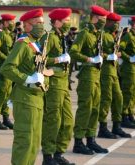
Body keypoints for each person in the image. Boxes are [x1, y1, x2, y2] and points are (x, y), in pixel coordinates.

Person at [1, 8, 47, 165]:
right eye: (37, 23)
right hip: (25, 98)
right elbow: (6, 68)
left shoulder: (36, 44)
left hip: (37, 98)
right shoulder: (22, 44)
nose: (41, 26)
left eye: (42, 23)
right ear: (27, 26)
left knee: (34, 142)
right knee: (25, 140)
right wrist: (27, 79)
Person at [70, 5, 109, 155]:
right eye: (103, 19)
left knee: (95, 109)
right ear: (95, 18)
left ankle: (91, 139)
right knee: (85, 109)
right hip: (87, 75)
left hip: (96, 75)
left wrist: (103, 57)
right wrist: (89, 59)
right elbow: (74, 52)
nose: (104, 22)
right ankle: (79, 142)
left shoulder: (97, 34)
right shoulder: (85, 34)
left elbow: (100, 53)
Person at [40, 8, 75, 165]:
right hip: (53, 83)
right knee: (53, 120)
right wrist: (58, 59)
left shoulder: (61, 37)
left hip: (63, 83)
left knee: (67, 121)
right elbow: (39, 60)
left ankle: (59, 153)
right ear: (58, 22)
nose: (69, 23)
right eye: (67, 20)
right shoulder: (50, 38)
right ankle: (48, 156)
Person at [97, 12, 131, 139]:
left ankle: (117, 126)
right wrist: (109, 56)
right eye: (114, 23)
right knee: (106, 100)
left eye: (118, 23)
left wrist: (117, 55)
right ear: (108, 22)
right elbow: (99, 53)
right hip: (105, 71)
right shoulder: (103, 35)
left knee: (118, 98)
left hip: (114, 71)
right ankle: (103, 127)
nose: (116, 25)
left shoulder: (113, 36)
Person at [0, 13, 16, 130]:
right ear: (5, 23)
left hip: (8, 68)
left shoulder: (9, 35)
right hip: (2, 68)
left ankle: (6, 118)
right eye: (11, 22)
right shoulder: (1, 34)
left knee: (7, 93)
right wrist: (7, 59)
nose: (13, 24)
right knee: (1, 93)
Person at [119, 16, 135, 128]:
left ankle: (130, 114)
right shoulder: (128, 36)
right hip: (128, 68)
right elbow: (120, 50)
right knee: (127, 92)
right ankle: (123, 116)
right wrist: (129, 58)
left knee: (133, 93)